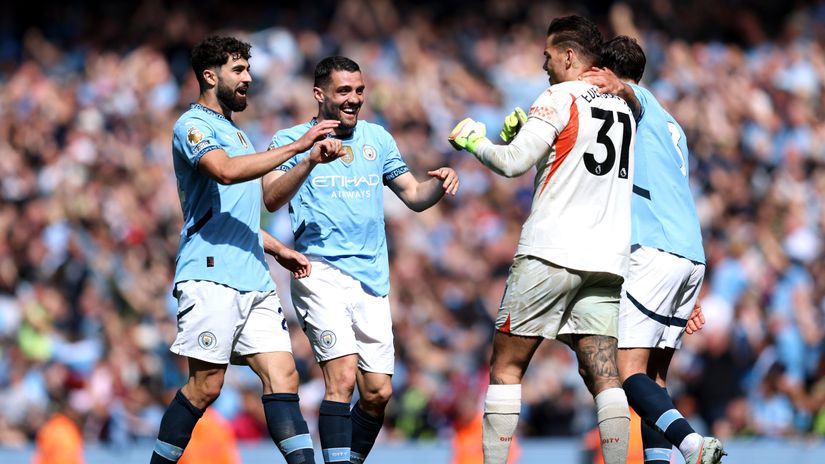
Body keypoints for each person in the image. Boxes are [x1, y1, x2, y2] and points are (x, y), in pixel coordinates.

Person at [448, 15, 634, 464]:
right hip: (607, 259)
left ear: (569, 56)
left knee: (507, 367)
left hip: (550, 252)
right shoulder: (623, 106)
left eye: (548, 56)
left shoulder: (557, 95)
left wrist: (476, 141)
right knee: (604, 376)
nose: (543, 66)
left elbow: (512, 162)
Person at [151, 35, 344, 464]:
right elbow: (222, 173)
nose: (248, 79)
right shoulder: (193, 126)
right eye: (238, 70)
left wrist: (277, 248)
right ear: (209, 75)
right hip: (210, 271)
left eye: (248, 70)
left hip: (254, 274)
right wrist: (296, 148)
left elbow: (237, 213)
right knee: (206, 386)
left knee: (284, 374)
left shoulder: (239, 135)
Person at [262, 55, 459, 464]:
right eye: (344, 91)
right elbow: (270, 197)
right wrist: (309, 160)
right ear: (319, 95)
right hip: (319, 271)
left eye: (359, 91)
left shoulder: (378, 139)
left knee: (378, 393)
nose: (354, 100)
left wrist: (439, 184)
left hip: (371, 278)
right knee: (343, 377)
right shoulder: (290, 138)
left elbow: (414, 196)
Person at [580, 36, 726, 463]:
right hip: (688, 254)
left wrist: (618, 87)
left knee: (626, 371)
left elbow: (630, 95)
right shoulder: (673, 126)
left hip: (655, 249)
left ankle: (692, 445)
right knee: (655, 381)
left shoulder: (636, 102)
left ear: (610, 72)